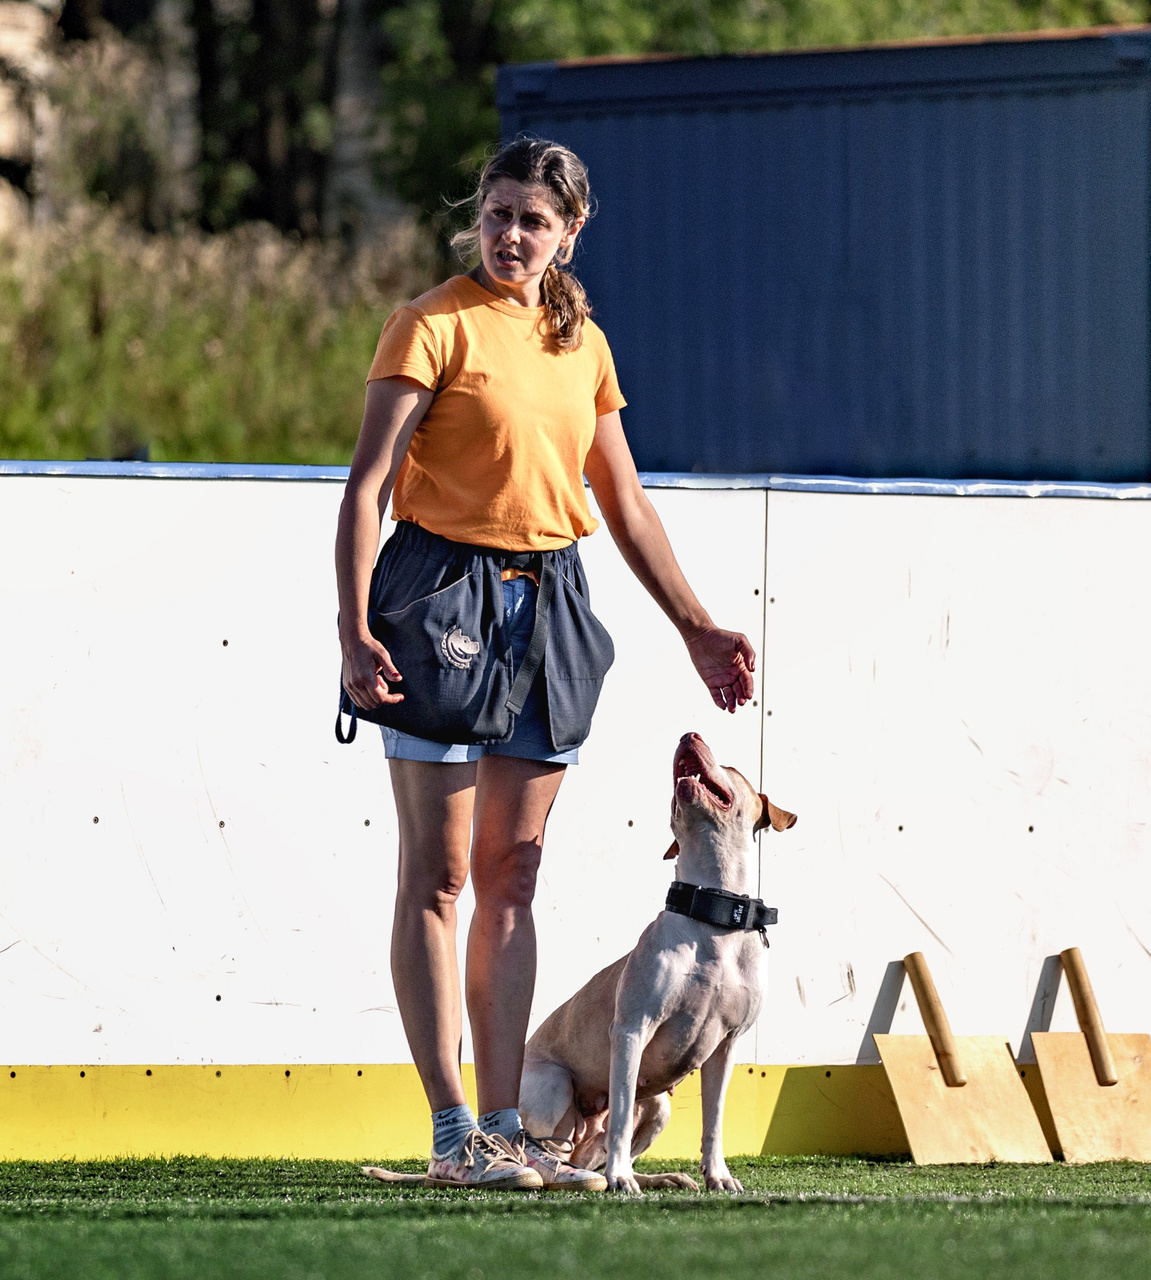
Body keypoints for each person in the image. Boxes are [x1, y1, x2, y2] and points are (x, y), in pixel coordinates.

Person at [334, 137, 755, 1190]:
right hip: (442, 598)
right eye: (497, 213)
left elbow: (624, 501)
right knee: (437, 875)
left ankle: (512, 1128)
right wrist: (353, 629)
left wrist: (698, 626)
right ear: (477, 216)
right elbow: (367, 486)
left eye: (534, 220)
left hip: (551, 603)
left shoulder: (585, 344)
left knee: (511, 877)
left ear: (571, 232)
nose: (511, 235)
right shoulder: (431, 324)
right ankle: (455, 1132)